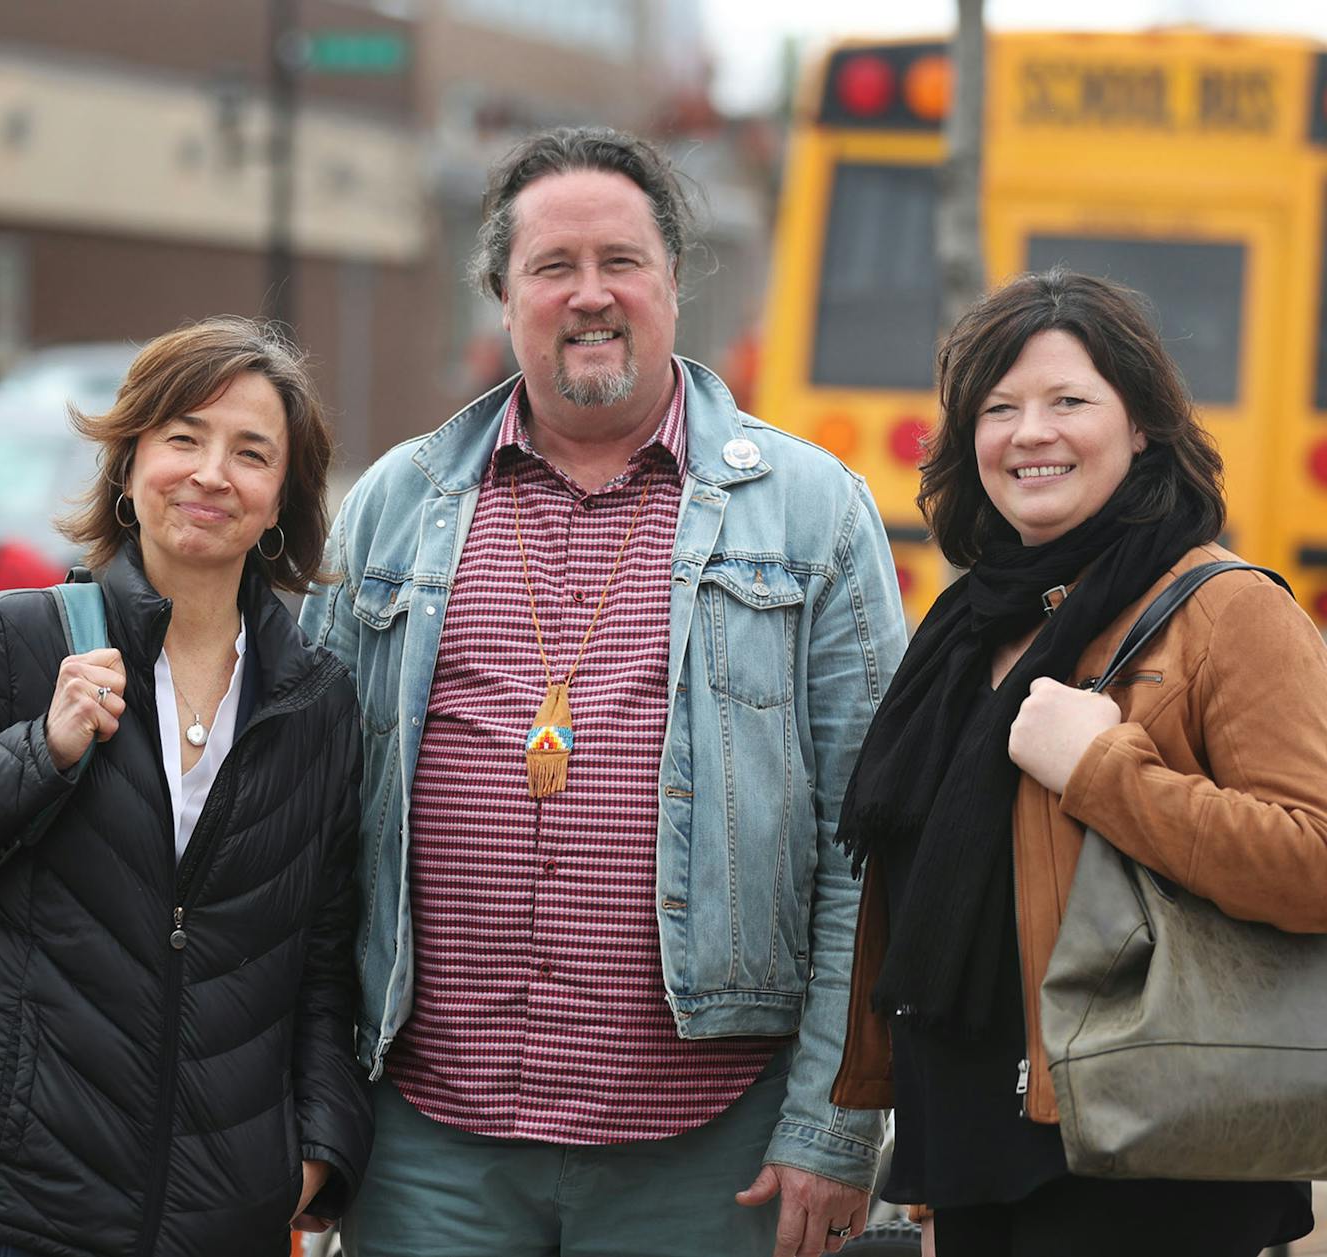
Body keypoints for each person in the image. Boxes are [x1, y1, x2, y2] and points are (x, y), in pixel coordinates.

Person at [299, 126, 907, 1257]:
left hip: (708, 1152)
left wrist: (831, 1129)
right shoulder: (394, 505)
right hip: (427, 1148)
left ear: (675, 282)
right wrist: (312, 1104)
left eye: (621, 262)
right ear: (499, 295)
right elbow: (306, 827)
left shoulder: (812, 512)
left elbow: (867, 846)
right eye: (552, 267)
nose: (591, 296)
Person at [831, 268, 1325, 1257]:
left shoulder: (1226, 611)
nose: (1029, 434)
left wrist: (1104, 771)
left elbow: (1311, 863)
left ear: (1139, 425)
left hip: (1144, 1154)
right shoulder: (967, 628)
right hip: (974, 1143)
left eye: (1067, 401)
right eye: (998, 408)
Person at [0, 317, 373, 1257]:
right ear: (129, 464)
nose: (211, 473)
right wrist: (42, 748)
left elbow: (325, 957)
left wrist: (319, 1149)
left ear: (281, 496)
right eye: (183, 438)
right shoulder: (21, 640)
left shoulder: (315, 701)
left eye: (251, 452)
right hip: (16, 1205)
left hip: (222, 1216)